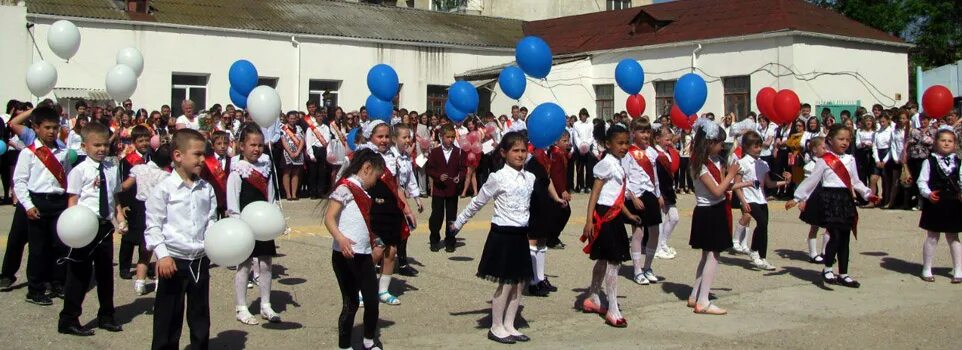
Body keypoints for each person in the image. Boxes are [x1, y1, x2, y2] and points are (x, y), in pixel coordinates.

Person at [450, 131, 536, 343]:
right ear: (504, 153)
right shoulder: (497, 178)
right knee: (506, 283)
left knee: (519, 283)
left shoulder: (530, 177)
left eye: (523, 150)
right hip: (503, 235)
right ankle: (496, 326)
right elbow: (478, 202)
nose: (520, 154)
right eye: (515, 150)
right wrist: (459, 222)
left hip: (520, 234)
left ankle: (510, 323)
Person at [145, 129, 217, 350]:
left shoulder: (206, 189)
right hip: (173, 262)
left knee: (200, 316)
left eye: (203, 154)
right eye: (197, 154)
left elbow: (211, 221)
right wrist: (163, 256)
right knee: (168, 317)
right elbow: (153, 226)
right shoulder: (164, 189)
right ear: (178, 156)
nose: (202, 160)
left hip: (199, 260)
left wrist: (215, 247)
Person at [788, 124, 879, 288]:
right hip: (830, 199)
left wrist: (867, 194)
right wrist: (797, 197)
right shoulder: (824, 160)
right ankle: (828, 269)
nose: (845, 142)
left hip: (845, 199)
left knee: (845, 238)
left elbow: (855, 182)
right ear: (830, 140)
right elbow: (812, 180)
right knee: (835, 235)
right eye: (841, 139)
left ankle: (843, 273)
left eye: (848, 139)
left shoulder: (850, 159)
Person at [58, 122, 124, 336]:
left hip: (104, 227)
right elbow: (73, 199)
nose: (102, 149)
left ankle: (106, 315)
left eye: (105, 145)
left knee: (106, 274)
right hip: (84, 226)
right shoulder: (79, 171)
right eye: (96, 145)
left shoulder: (111, 169)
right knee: (79, 274)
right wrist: (72, 227)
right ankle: (69, 318)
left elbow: (114, 197)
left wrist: (119, 218)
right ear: (85, 146)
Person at [686, 118, 749, 315]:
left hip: (714, 210)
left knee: (707, 256)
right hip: (708, 212)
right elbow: (716, 190)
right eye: (720, 143)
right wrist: (731, 174)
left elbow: (724, 187)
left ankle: (695, 295)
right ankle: (703, 301)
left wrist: (743, 183)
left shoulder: (713, 161)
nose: (722, 147)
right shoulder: (700, 165)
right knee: (713, 255)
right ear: (709, 143)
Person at [325, 148, 386, 350]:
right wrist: (340, 239)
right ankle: (344, 345)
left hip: (363, 254)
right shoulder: (345, 188)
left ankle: (368, 339)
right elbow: (329, 218)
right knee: (350, 302)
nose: (376, 182)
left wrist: (374, 240)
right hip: (344, 254)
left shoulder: (363, 191)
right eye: (376, 176)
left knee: (371, 300)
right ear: (367, 168)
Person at [580, 125, 637, 327]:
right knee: (614, 261)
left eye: (626, 143)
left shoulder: (619, 164)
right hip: (605, 216)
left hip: (614, 215)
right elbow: (595, 193)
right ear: (608, 144)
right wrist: (589, 220)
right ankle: (612, 308)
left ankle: (594, 296)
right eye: (619, 143)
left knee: (605, 259)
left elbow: (616, 196)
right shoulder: (605, 164)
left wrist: (629, 213)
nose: (624, 147)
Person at [15, 105, 71, 306]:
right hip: (38, 202)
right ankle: (35, 288)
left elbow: (68, 176)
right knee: (38, 248)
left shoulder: (64, 151)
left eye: (55, 128)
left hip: (58, 202)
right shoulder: (29, 153)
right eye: (47, 127)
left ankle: (57, 281)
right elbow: (20, 182)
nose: (52, 132)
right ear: (36, 128)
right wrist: (28, 205)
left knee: (60, 245)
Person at [227, 125, 282, 324]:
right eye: (252, 145)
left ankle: (266, 304)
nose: (257, 149)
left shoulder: (266, 168)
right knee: (244, 265)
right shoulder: (238, 171)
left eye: (260, 145)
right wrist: (237, 224)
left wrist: (272, 217)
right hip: (245, 224)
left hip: (263, 224)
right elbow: (233, 201)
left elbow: (271, 197)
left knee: (266, 262)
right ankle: (241, 307)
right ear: (242, 146)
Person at [362, 121, 418, 305]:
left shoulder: (393, 157)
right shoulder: (365, 156)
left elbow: (397, 187)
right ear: (370, 137)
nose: (384, 140)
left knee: (391, 250)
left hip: (391, 208)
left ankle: (383, 290)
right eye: (380, 136)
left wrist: (407, 209)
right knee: (376, 250)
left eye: (387, 136)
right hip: (372, 209)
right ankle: (361, 289)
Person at [732, 131, 791, 271]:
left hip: (761, 199)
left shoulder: (763, 164)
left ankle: (762, 257)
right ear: (746, 147)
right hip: (748, 199)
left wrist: (785, 182)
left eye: (760, 146)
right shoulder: (742, 163)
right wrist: (743, 201)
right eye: (755, 146)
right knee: (762, 222)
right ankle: (754, 251)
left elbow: (769, 184)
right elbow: (736, 185)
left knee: (764, 227)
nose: (759, 149)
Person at [121, 144, 172, 295]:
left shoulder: (139, 169)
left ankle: (140, 283)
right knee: (158, 249)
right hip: (156, 210)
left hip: (139, 210)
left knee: (144, 250)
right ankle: (158, 282)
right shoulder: (166, 176)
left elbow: (124, 186)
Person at [915, 129, 962, 283]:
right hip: (935, 202)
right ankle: (926, 268)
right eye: (943, 140)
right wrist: (928, 194)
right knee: (932, 236)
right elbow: (922, 181)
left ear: (955, 144)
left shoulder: (959, 162)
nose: (946, 143)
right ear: (936, 143)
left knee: (953, 236)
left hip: (954, 202)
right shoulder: (929, 161)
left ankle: (958, 270)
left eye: (950, 141)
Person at [524, 139, 569, 296]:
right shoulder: (527, 158)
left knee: (542, 239)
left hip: (544, 202)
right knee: (533, 239)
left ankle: (540, 278)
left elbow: (546, 180)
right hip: (532, 202)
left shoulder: (542, 157)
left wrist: (556, 198)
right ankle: (532, 281)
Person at [622, 118, 663, 285]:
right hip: (636, 195)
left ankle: (648, 267)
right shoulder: (629, 153)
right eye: (642, 132)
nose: (646, 135)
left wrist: (659, 194)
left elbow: (655, 176)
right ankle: (637, 269)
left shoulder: (652, 152)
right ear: (633, 133)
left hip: (650, 193)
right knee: (638, 233)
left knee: (655, 232)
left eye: (647, 131)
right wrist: (632, 196)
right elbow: (624, 177)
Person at [117, 125, 153, 280]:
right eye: (140, 140)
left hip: (148, 202)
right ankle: (124, 266)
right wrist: (124, 204)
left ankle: (143, 264)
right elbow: (123, 185)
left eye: (146, 140)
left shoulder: (153, 158)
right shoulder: (127, 161)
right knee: (129, 237)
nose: (144, 143)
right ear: (134, 142)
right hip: (132, 202)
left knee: (146, 235)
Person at [425, 124, 466, 252]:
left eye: (453, 137)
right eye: (448, 137)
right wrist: (438, 176)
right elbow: (429, 169)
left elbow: (463, 169)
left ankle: (450, 240)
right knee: (436, 216)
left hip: (452, 190)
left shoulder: (459, 152)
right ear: (441, 137)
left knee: (451, 217)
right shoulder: (435, 152)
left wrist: (459, 177)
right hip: (439, 189)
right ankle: (434, 238)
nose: (450, 139)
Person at [391, 124, 424, 277]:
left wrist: (417, 198)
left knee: (404, 230)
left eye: (408, 137)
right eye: (403, 137)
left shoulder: (406, 157)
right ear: (394, 139)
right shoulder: (390, 157)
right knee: (390, 231)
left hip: (402, 197)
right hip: (391, 199)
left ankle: (402, 263)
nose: (407, 140)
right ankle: (381, 262)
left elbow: (411, 179)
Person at [799, 137, 830, 263]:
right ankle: (813, 254)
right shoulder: (810, 165)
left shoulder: (829, 162)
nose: (826, 149)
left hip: (827, 196)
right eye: (823, 147)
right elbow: (807, 184)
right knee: (815, 226)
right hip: (815, 198)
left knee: (830, 226)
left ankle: (826, 251)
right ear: (814, 149)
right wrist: (803, 199)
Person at [654, 126, 680, 259]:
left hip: (669, 189)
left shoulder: (669, 152)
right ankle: (657, 248)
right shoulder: (655, 154)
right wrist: (658, 194)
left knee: (675, 218)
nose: (669, 142)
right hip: (660, 190)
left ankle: (663, 242)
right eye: (667, 140)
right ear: (658, 139)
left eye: (671, 140)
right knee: (662, 219)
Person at [201, 131, 232, 217]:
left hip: (228, 203)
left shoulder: (232, 161)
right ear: (212, 145)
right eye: (219, 143)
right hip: (212, 202)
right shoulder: (207, 162)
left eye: (225, 143)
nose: (222, 146)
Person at [281, 111, 305, 201]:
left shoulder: (299, 128)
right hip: (287, 152)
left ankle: (294, 194)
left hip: (298, 152)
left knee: (296, 173)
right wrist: (290, 152)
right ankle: (288, 194)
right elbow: (283, 140)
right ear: (287, 118)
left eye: (294, 118)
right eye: (291, 118)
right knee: (287, 172)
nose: (292, 120)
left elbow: (302, 140)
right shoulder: (283, 128)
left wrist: (298, 152)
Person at [573, 108, 595, 193]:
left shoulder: (590, 124)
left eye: (585, 115)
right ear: (580, 116)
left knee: (589, 168)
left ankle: (588, 186)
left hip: (588, 149)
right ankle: (581, 186)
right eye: (582, 115)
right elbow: (576, 136)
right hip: (579, 150)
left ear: (587, 115)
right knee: (580, 168)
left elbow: (591, 136)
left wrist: (586, 145)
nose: (584, 117)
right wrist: (580, 146)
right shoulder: (576, 124)